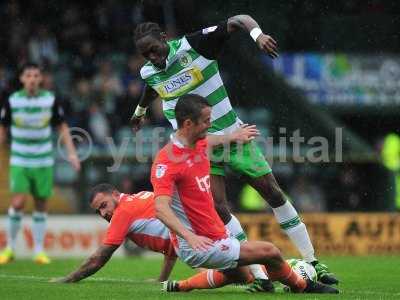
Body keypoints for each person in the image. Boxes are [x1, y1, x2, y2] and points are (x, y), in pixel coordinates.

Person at [131, 16, 338, 285]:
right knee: (220, 208)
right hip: (201, 148)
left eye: (154, 49)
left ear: (163, 37)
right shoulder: (149, 71)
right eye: (145, 54)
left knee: (273, 193)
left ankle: (312, 261)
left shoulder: (195, 45)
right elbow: (152, 88)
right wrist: (140, 111)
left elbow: (239, 19)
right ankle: (259, 276)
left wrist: (258, 36)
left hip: (234, 136)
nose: (151, 57)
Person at [151, 94, 338, 294]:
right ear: (188, 123)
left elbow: (211, 141)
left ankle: (180, 286)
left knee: (241, 275)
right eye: (206, 121)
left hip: (216, 235)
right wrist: (189, 237)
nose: (210, 124)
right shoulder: (167, 162)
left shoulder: (197, 143)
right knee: (270, 252)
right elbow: (160, 209)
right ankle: (303, 286)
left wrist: (233, 136)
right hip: (199, 243)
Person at [0, 63, 81, 264]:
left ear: (40, 79)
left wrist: (71, 154)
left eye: (36, 75)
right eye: (28, 75)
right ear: (22, 79)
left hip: (43, 160)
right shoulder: (13, 101)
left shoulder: (49, 100)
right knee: (18, 202)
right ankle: (9, 248)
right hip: (20, 158)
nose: (32, 79)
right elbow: (2, 129)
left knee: (40, 203)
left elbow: (62, 127)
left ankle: (38, 250)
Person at [52, 184, 177, 283]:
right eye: (98, 211)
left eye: (104, 205)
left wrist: (69, 278)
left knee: (196, 278)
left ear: (116, 195)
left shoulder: (122, 212)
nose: (103, 214)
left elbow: (98, 259)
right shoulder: (140, 195)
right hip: (190, 230)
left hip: (191, 237)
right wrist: (162, 279)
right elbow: (171, 246)